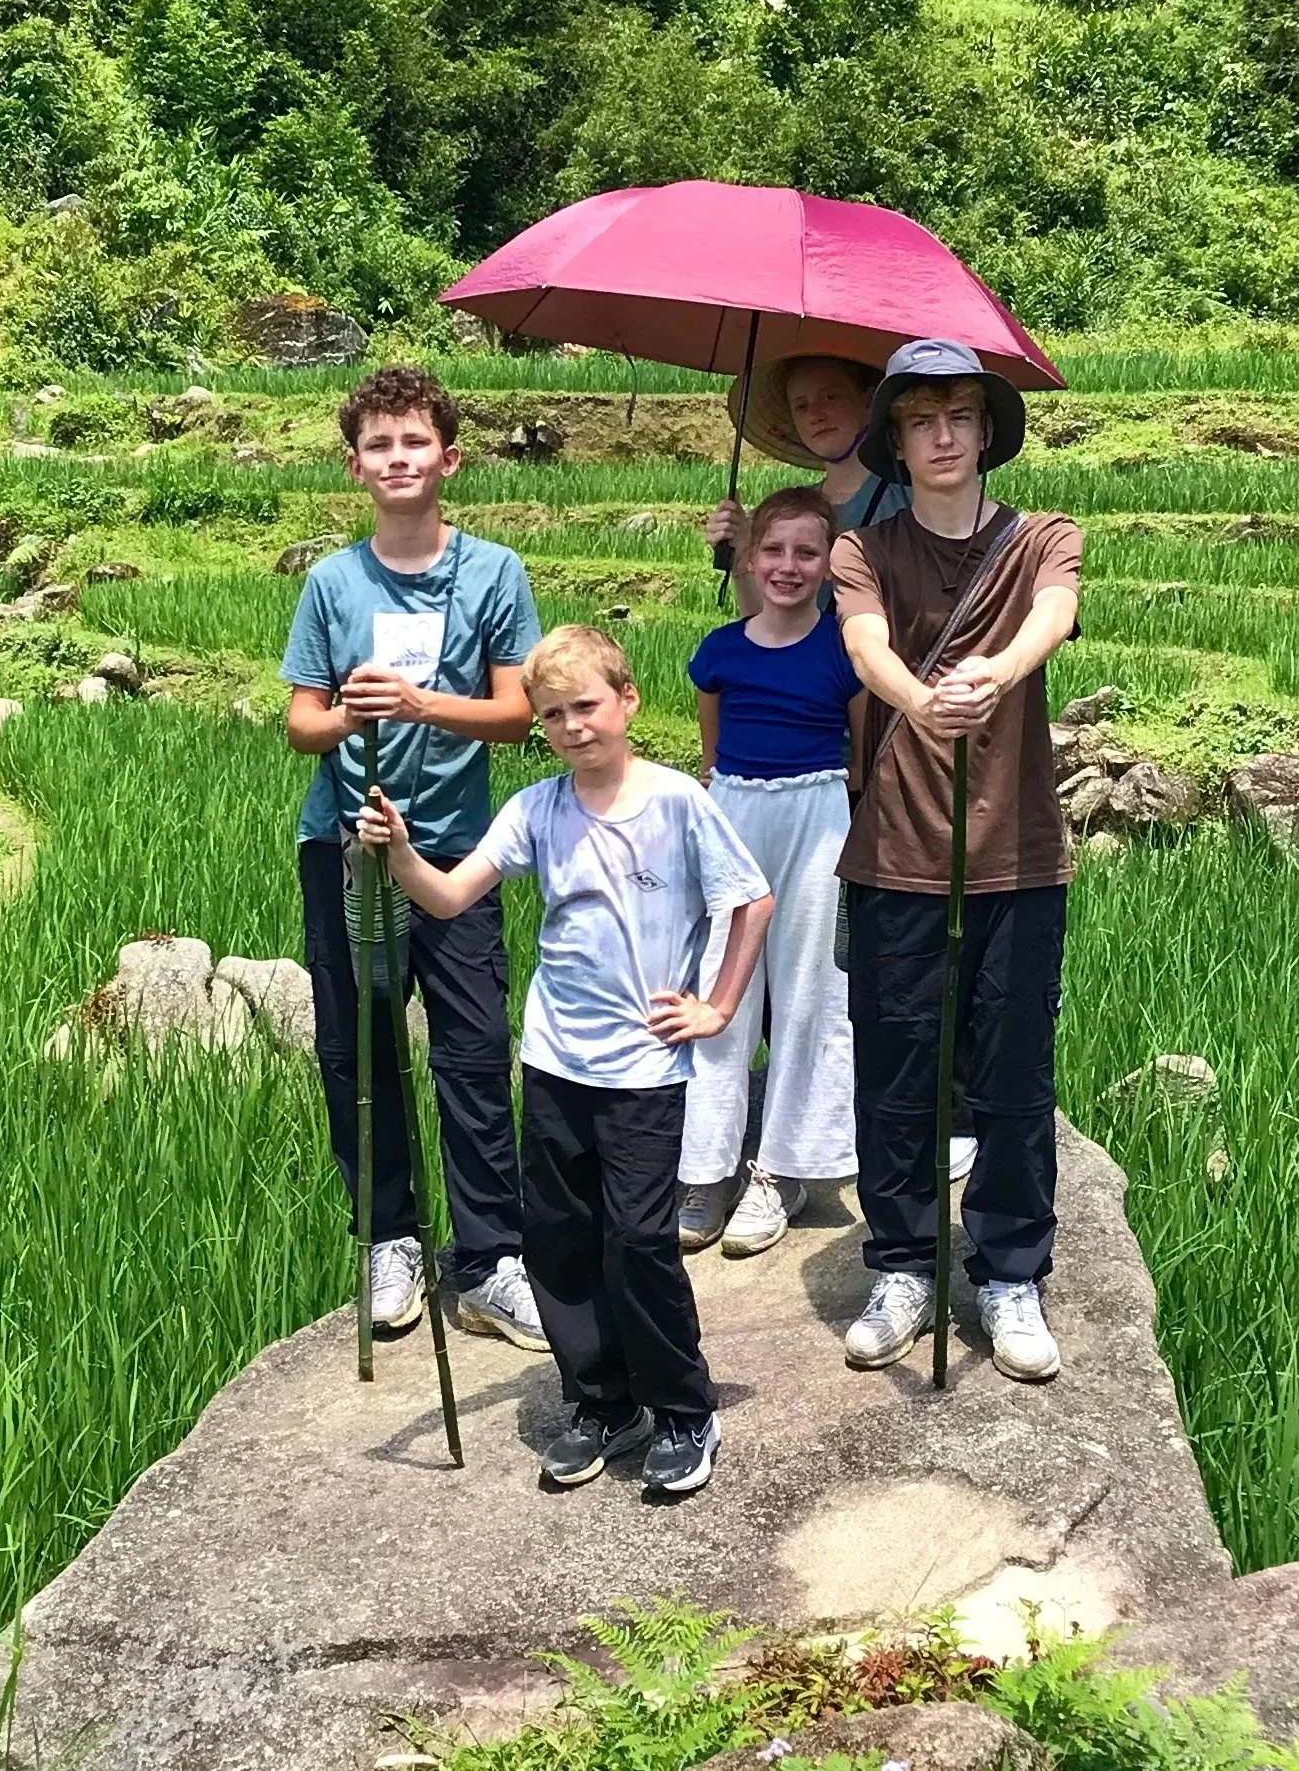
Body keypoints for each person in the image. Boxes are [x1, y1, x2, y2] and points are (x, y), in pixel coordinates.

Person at [359, 625, 772, 1498]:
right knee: (558, 1240)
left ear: (627, 701)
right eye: (552, 715)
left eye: (586, 706)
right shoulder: (536, 809)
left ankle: (685, 1408)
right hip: (554, 1058)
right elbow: (448, 893)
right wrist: (397, 851)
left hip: (645, 1068)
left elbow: (753, 899)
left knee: (638, 1239)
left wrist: (719, 1003)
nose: (573, 727)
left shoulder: (676, 803)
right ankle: (600, 1397)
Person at [830, 336, 1081, 1384]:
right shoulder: (866, 549)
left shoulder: (1043, 538)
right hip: (895, 848)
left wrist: (997, 671)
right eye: (921, 416)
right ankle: (900, 1262)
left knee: (1013, 1072)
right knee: (894, 1069)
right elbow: (864, 641)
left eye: (961, 415)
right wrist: (917, 695)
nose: (943, 433)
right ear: (896, 436)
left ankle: (1010, 1270)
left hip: (1016, 853)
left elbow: (1052, 616)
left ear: (986, 432)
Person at [281, 366, 545, 1352]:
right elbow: (300, 722)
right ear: (356, 465)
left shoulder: (494, 573)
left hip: (456, 851)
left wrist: (425, 704)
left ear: (449, 457)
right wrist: (352, 710)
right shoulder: (333, 583)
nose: (399, 458)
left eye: (414, 442)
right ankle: (389, 1233)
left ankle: (488, 1259)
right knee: (359, 1048)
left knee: (474, 1047)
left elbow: (519, 714)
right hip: (348, 844)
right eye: (380, 445)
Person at [677, 487, 863, 1260]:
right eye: (774, 550)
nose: (789, 566)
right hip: (736, 812)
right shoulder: (721, 648)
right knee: (722, 984)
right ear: (749, 559)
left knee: (812, 987)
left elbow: (860, 751)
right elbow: (712, 747)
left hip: (819, 810)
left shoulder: (845, 648)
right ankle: (704, 1167)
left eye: (806, 552)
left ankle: (784, 1166)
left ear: (829, 564)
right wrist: (725, 800)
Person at [706, 349, 909, 600]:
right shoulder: (792, 512)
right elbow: (768, 624)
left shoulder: (909, 498)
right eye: (801, 406)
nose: (816, 415)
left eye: (830, 397)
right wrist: (742, 555)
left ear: (869, 402)